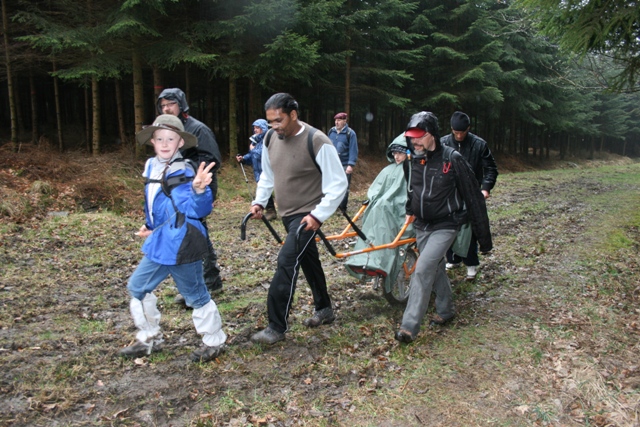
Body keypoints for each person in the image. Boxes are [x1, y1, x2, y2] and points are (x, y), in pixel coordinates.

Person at [119, 114, 227, 362]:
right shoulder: (151, 166)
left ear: (180, 143)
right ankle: (150, 339)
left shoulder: (181, 170)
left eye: (171, 138)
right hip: (160, 241)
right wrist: (151, 225)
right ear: (152, 141)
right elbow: (154, 201)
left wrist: (199, 190)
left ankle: (214, 341)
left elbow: (194, 209)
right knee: (137, 287)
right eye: (159, 138)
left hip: (182, 243)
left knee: (196, 295)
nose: (165, 143)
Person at [248, 93, 348, 345]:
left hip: (307, 215)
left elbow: (338, 184)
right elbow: (267, 176)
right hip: (286, 212)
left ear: (293, 115)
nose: (274, 126)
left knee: (286, 262)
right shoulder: (271, 138)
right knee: (307, 260)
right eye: (270, 121)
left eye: (279, 120)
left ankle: (276, 326)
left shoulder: (317, 140)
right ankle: (324, 308)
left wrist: (318, 215)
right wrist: (260, 200)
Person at [396, 111, 492, 344]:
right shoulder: (414, 159)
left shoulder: (452, 158)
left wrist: (483, 240)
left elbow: (473, 197)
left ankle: (409, 327)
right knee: (436, 267)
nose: (415, 142)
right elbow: (413, 188)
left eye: (419, 137)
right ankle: (446, 309)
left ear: (432, 135)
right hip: (422, 225)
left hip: (447, 224)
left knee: (423, 269)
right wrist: (411, 209)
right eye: (411, 138)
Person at [156, 88, 224, 298]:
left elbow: (212, 159)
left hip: (198, 188)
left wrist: (185, 169)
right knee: (186, 233)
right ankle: (201, 282)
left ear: (181, 105)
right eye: (164, 105)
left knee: (195, 231)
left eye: (171, 104)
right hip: (177, 190)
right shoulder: (166, 130)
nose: (167, 108)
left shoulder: (197, 129)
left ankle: (208, 282)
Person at [345, 134, 413, 287]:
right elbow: (376, 189)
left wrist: (388, 202)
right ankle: (364, 259)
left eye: (400, 153)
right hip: (381, 208)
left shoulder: (412, 169)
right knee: (372, 223)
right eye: (394, 153)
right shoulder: (388, 170)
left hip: (399, 211)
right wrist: (376, 200)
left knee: (383, 219)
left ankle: (378, 262)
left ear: (408, 153)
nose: (396, 156)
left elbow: (407, 193)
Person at [441, 111, 498, 280]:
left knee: (470, 229)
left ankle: (471, 264)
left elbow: (491, 169)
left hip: (472, 193)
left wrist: (485, 188)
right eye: (455, 132)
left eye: (462, 132)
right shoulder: (443, 143)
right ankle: (453, 259)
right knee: (448, 226)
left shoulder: (479, 145)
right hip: (449, 193)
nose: (459, 136)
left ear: (468, 129)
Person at [235, 119, 277, 220]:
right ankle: (270, 211)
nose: (255, 130)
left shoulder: (269, 139)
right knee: (263, 190)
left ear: (263, 128)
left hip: (269, 170)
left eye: (257, 128)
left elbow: (263, 154)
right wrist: (244, 158)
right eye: (254, 128)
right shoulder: (255, 140)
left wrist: (253, 150)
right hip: (258, 171)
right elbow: (253, 156)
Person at [327, 112, 358, 212]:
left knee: (344, 186)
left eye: (339, 120)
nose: (337, 122)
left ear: (345, 121)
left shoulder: (350, 133)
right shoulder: (331, 132)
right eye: (336, 120)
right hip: (332, 164)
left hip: (344, 164)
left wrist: (351, 164)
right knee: (332, 185)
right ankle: (333, 206)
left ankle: (342, 208)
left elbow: (353, 150)